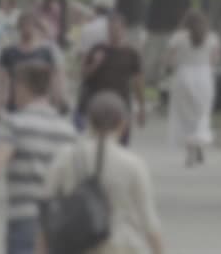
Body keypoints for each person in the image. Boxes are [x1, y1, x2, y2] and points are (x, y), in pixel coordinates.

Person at [0, 61, 78, 254]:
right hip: (59, 221)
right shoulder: (68, 130)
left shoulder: (14, 124)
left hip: (26, 219)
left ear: (21, 86)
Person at [37, 92, 163, 254]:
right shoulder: (133, 164)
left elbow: (46, 209)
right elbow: (149, 220)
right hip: (122, 245)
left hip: (75, 244)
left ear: (88, 121)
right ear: (123, 124)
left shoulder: (65, 157)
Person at [166, 10, 221, 167]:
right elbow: (215, 60)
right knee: (202, 113)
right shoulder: (212, 37)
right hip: (204, 76)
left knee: (185, 116)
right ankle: (199, 143)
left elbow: (169, 60)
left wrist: (176, 64)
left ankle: (191, 150)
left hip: (183, 75)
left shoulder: (178, 37)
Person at [82, 12, 145, 146]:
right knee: (95, 142)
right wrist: (95, 64)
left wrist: (141, 107)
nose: (113, 33)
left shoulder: (131, 52)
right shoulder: (97, 49)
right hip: (99, 103)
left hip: (121, 104)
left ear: (123, 29)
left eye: (116, 29)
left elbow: (138, 82)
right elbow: (84, 76)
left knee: (121, 142)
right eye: (110, 29)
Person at [0, 11, 65, 117]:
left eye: (30, 25)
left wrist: (59, 101)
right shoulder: (8, 53)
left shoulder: (46, 53)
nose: (27, 29)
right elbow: (2, 83)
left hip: (41, 107)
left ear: (36, 27)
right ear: (19, 28)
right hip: (14, 106)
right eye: (24, 25)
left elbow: (54, 80)